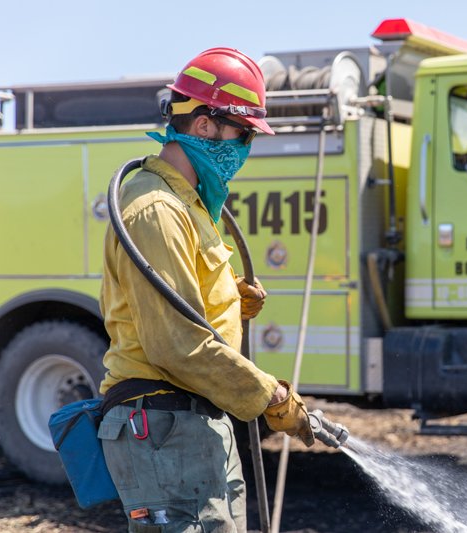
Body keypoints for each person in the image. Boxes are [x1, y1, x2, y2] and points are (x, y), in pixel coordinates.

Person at [97, 47, 314, 532]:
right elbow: (177, 345)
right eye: (243, 134)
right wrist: (270, 396)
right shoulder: (157, 209)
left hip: (188, 421)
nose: (245, 148)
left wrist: (229, 302)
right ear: (204, 126)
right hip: (163, 421)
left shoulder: (187, 203)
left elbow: (180, 303)